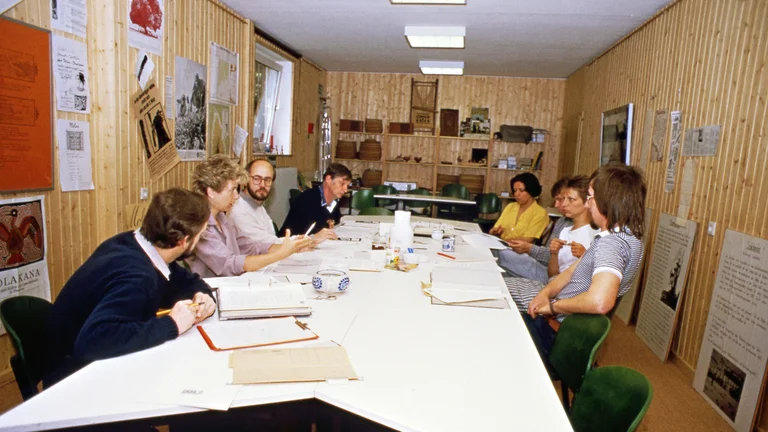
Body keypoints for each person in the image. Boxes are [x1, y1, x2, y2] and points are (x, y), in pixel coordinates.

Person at [44, 188, 217, 386]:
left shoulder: (135, 244)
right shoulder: (137, 276)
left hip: (84, 358)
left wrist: (203, 295)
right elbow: (93, 342)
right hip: (74, 377)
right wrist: (173, 324)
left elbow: (183, 281)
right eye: (200, 235)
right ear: (183, 240)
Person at [522, 165, 646, 360]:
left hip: (558, 333)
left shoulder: (612, 244)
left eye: (591, 197)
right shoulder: (625, 237)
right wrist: (545, 293)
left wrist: (553, 307)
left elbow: (600, 301)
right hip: (563, 327)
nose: (588, 205)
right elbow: (570, 272)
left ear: (608, 201)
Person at [187, 155, 312, 278]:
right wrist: (281, 254)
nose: (236, 196)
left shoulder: (221, 217)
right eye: (232, 190)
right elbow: (230, 264)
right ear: (211, 192)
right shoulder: (199, 226)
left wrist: (291, 248)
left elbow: (250, 247)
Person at [505, 175, 599, 311]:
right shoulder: (565, 230)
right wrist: (554, 254)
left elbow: (591, 281)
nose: (563, 204)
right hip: (552, 286)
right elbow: (553, 274)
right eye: (563, 199)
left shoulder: (595, 235)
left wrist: (584, 256)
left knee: (503, 292)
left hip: (564, 295)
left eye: (570, 199)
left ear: (587, 202)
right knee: (500, 284)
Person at [229, 159, 336, 246]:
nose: (262, 184)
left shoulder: (258, 206)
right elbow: (267, 244)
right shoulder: (238, 208)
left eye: (267, 179)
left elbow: (272, 241)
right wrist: (311, 239)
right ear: (246, 179)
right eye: (256, 179)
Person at [497, 176, 571, 283]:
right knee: (499, 273)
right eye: (514, 191)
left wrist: (529, 249)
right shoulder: (562, 221)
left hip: (551, 275)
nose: (556, 205)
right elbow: (548, 254)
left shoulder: (588, 230)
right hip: (544, 266)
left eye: (560, 199)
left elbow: (550, 258)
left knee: (498, 254)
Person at [280, 163, 351, 236]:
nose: (345, 190)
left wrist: (331, 222)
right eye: (342, 184)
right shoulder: (308, 199)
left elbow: (336, 221)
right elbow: (314, 229)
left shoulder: (333, 200)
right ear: (328, 179)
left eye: (347, 186)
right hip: (288, 243)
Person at [489, 172, 549, 243]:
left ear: (530, 190)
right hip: (502, 246)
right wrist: (494, 232)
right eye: (515, 191)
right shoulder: (510, 206)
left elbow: (527, 240)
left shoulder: (540, 213)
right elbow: (493, 229)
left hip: (521, 251)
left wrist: (503, 242)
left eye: (521, 190)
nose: (517, 194)